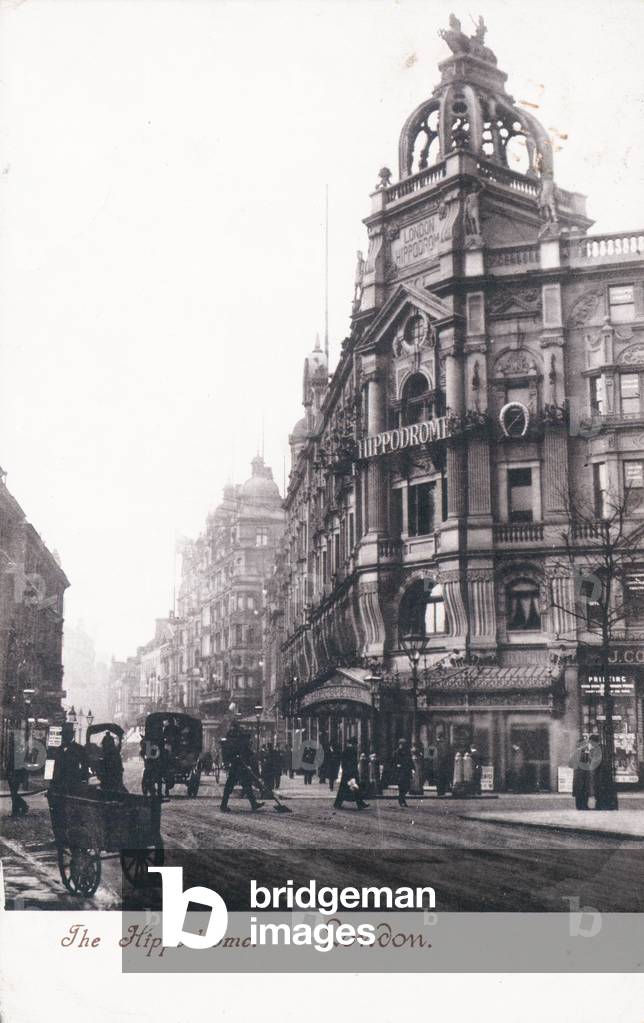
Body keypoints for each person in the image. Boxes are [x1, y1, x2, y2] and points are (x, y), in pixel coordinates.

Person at [219, 721, 264, 812]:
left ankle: (224, 805)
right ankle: (253, 804)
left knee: (238, 785)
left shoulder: (232, 738)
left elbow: (246, 752)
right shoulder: (238, 740)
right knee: (242, 785)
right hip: (238, 766)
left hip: (238, 766)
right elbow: (243, 751)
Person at [51, 723, 89, 794]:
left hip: (73, 785)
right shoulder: (59, 749)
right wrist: (52, 784)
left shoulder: (79, 749)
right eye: (63, 735)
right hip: (59, 786)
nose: (65, 737)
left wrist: (84, 780)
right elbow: (56, 768)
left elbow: (85, 766)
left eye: (67, 734)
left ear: (72, 735)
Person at [333, 738, 369, 810]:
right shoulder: (350, 751)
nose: (356, 745)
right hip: (350, 773)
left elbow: (344, 763)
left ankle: (359, 804)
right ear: (352, 744)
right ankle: (360, 804)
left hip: (348, 773)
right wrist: (351, 772)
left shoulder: (347, 751)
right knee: (352, 788)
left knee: (349, 789)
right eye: (355, 744)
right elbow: (348, 763)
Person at [5, 729, 28, 817]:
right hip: (12, 775)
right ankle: (21, 807)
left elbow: (21, 765)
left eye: (11, 739)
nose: (10, 741)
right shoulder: (13, 750)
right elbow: (9, 763)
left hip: (16, 775)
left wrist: (22, 778)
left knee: (14, 794)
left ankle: (17, 811)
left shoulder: (18, 750)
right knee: (13, 794)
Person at [392, 738, 413, 807]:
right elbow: (393, 762)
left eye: (404, 744)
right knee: (401, 787)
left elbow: (410, 761)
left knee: (407, 786)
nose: (403, 746)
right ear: (400, 744)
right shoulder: (396, 753)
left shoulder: (407, 752)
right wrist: (397, 766)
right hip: (400, 772)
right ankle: (402, 800)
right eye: (402, 744)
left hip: (406, 771)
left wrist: (413, 768)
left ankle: (401, 798)